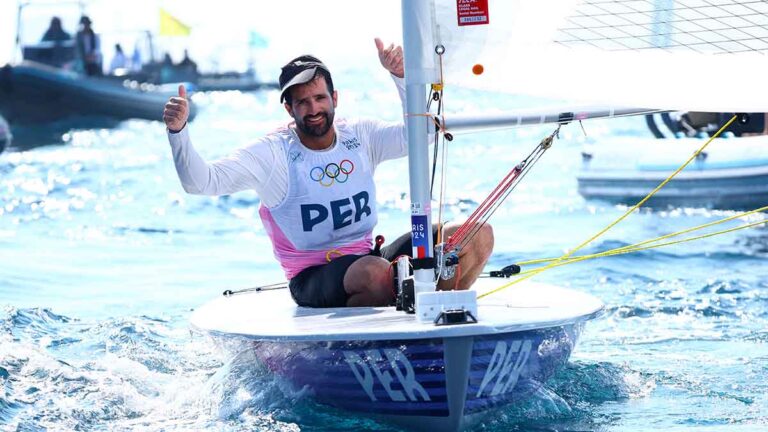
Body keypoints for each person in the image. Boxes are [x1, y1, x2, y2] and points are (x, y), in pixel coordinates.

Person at [163, 38, 494, 308]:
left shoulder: (360, 136)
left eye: (320, 98)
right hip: (312, 278)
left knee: (475, 235)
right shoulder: (272, 154)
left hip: (368, 260)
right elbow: (199, 182)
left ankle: (439, 323)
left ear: (334, 98)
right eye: (302, 102)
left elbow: (421, 137)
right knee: (375, 273)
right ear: (289, 109)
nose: (313, 109)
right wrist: (179, 132)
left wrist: (402, 78)